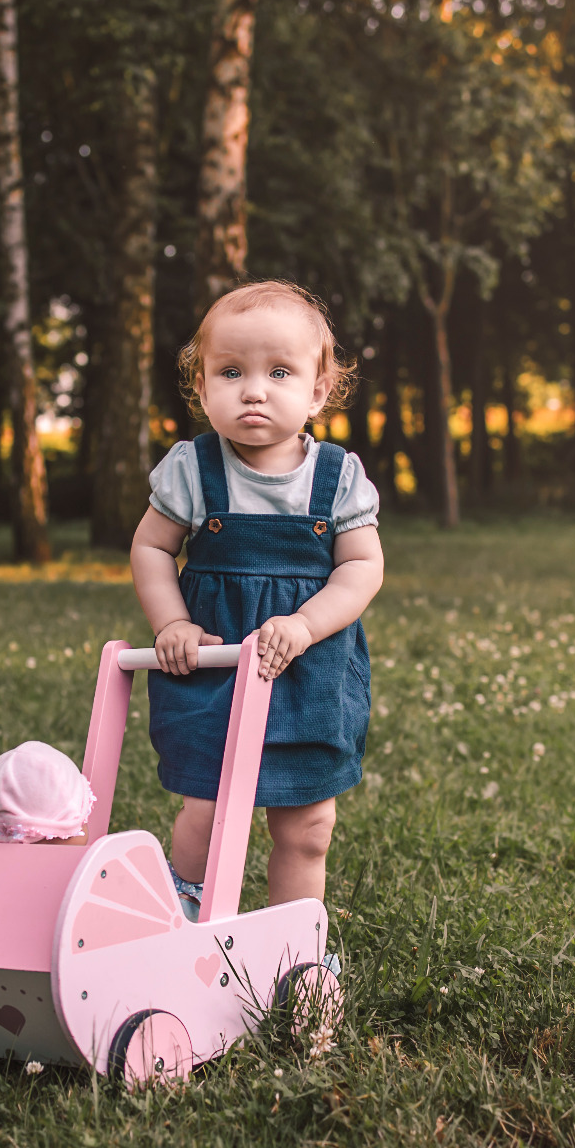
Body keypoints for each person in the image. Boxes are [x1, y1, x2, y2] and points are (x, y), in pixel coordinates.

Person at [131, 279, 384, 925]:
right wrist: (174, 622)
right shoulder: (193, 468)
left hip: (307, 667)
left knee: (306, 822)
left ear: (318, 391)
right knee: (211, 810)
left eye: (278, 371)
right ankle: (181, 919)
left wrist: (305, 623)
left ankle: (291, 946)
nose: (253, 389)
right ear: (202, 386)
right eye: (230, 371)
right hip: (213, 663)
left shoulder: (337, 477)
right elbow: (152, 550)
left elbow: (361, 568)